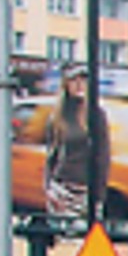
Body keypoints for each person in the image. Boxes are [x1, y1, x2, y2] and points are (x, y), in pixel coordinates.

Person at [44, 62, 111, 222]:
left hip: (87, 191)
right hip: (61, 189)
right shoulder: (57, 117)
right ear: (66, 84)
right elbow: (50, 156)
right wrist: (48, 189)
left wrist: (99, 197)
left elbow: (103, 156)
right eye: (74, 80)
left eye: (83, 80)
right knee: (63, 241)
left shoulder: (95, 115)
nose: (79, 85)